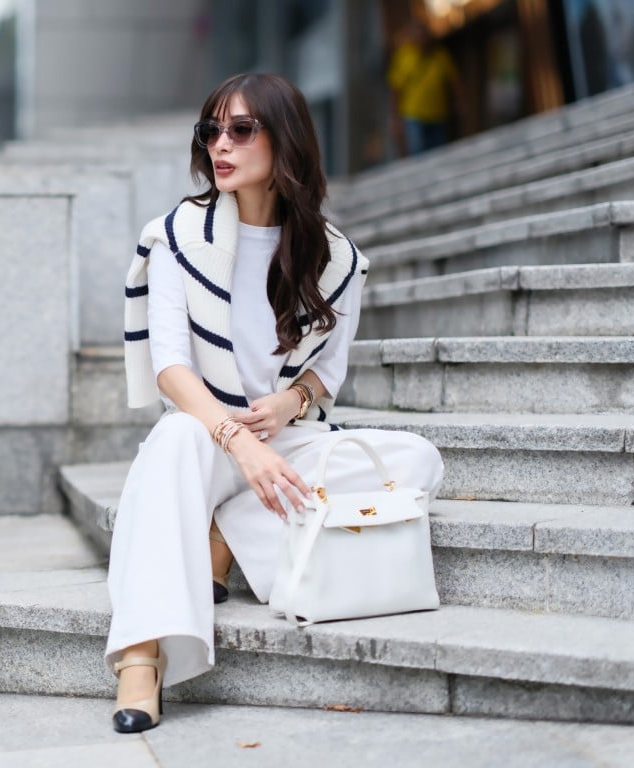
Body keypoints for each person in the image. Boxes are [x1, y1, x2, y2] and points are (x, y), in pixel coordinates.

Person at [107, 72, 444, 733]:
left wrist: (292, 401)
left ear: (284, 139)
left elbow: (327, 374)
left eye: (241, 130)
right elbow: (170, 367)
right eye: (211, 131)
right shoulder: (178, 235)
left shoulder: (338, 259)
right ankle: (141, 657)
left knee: (417, 461)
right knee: (170, 443)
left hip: (285, 438)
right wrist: (238, 443)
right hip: (207, 434)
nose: (220, 145)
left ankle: (225, 533)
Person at [387, 21, 463, 156]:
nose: (423, 38)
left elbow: (453, 81)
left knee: (438, 154)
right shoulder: (404, 56)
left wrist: (460, 102)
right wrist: (395, 117)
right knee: (418, 155)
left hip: (438, 114)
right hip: (414, 115)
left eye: (425, 35)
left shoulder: (440, 55)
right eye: (419, 35)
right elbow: (395, 88)